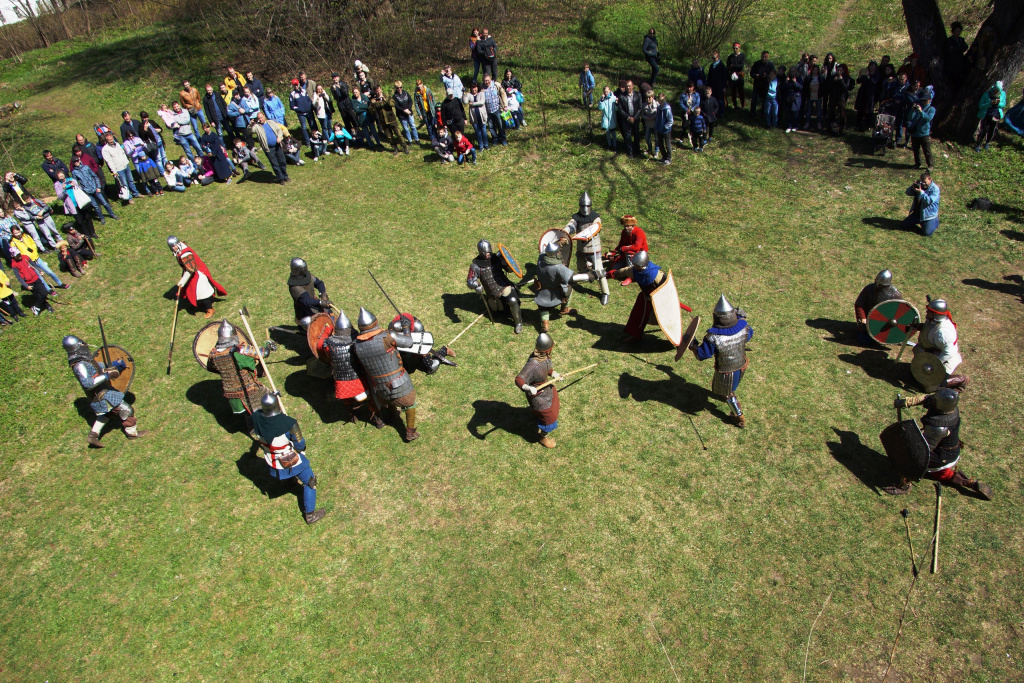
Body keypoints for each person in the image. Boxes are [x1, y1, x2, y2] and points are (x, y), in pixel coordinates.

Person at [884, 389, 992, 499]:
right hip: (949, 452)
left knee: (909, 457)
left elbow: (922, 451)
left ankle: (905, 485)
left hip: (942, 456)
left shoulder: (939, 427)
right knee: (942, 475)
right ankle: (969, 483)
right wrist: (906, 402)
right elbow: (927, 398)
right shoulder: (950, 409)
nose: (932, 400)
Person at [252, 393, 328, 525]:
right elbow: (300, 445)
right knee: (309, 480)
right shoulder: (289, 423)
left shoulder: (256, 417)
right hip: (288, 461)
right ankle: (310, 515)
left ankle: (289, 481)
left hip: (271, 460)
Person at [351, 307, 421, 442]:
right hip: (399, 382)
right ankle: (410, 432)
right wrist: (406, 327)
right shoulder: (387, 337)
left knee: (388, 399)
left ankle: (392, 414)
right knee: (410, 403)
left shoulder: (356, 345)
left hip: (378, 386)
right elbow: (409, 342)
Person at [63, 335, 146, 448]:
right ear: (77, 348)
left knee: (107, 413)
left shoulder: (84, 360)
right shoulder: (80, 365)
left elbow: (98, 367)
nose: (84, 344)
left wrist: (114, 364)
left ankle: (93, 436)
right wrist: (107, 376)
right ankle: (132, 433)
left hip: (101, 391)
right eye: (81, 344)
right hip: (102, 393)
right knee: (127, 409)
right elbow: (87, 383)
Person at [689, 295, 754, 427]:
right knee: (730, 388)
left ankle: (738, 416)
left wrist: (692, 344)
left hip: (726, 371)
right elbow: (748, 335)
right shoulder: (744, 328)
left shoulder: (714, 337)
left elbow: (702, 355)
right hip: (742, 365)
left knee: (728, 393)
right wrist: (740, 318)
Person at [206, 318, 276, 432]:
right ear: (234, 337)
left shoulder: (214, 354)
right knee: (267, 400)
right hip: (247, 389)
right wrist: (268, 345)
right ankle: (263, 428)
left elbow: (213, 367)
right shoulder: (239, 352)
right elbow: (262, 353)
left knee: (247, 412)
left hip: (230, 392)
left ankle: (251, 427)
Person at [321, 309, 381, 426]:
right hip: (359, 379)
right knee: (371, 398)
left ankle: (352, 416)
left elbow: (321, 345)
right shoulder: (356, 342)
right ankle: (378, 420)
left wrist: (327, 331)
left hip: (341, 382)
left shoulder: (330, 345)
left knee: (347, 400)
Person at [533, 241, 599, 332]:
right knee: (568, 288)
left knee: (543, 308)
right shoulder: (558, 267)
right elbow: (573, 278)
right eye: (558, 252)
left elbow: (544, 251)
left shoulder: (541, 258)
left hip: (541, 291)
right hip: (555, 294)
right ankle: (564, 309)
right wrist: (591, 275)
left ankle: (545, 323)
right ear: (556, 254)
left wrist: (559, 244)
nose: (560, 253)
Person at [467, 239, 524, 334]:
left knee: (512, 300)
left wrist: (507, 264)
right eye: (486, 252)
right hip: (492, 294)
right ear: (481, 252)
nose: (489, 254)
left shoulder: (496, 258)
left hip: (504, 286)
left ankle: (519, 323)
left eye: (489, 251)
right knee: (499, 312)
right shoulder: (476, 266)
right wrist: (476, 286)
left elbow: (509, 269)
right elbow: (470, 281)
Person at [515, 333, 561, 448]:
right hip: (538, 396)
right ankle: (543, 437)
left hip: (546, 389)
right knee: (550, 418)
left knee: (553, 403)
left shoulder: (543, 356)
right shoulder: (533, 364)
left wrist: (553, 373)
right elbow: (519, 379)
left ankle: (536, 415)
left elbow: (546, 369)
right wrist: (528, 387)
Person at [911, 298, 968, 390]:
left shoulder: (943, 332)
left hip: (944, 358)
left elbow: (949, 352)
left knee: (929, 387)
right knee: (915, 375)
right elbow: (929, 329)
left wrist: (934, 364)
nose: (926, 312)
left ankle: (961, 380)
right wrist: (919, 326)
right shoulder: (932, 320)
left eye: (929, 311)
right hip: (931, 352)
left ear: (936, 315)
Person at [565, 191, 610, 305]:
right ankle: (589, 274)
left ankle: (605, 293)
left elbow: (597, 226)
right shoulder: (576, 217)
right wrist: (565, 232)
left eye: (587, 206)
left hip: (595, 249)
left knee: (600, 272)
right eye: (583, 206)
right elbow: (571, 225)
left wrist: (592, 231)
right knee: (581, 268)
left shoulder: (595, 217)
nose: (585, 208)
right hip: (581, 249)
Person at [168, 236, 225, 319]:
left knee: (201, 292)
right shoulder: (180, 250)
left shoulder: (185, 254)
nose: (174, 248)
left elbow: (190, 270)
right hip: (193, 272)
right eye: (172, 247)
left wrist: (182, 281)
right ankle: (201, 303)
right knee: (193, 291)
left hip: (197, 273)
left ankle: (210, 308)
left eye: (174, 246)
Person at [387, 313, 457, 374]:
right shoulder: (392, 327)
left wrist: (420, 354)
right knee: (406, 368)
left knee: (432, 367)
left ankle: (444, 350)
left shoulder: (417, 326)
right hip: (401, 347)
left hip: (416, 343)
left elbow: (422, 344)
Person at [10, 224, 66, 291]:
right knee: (40, 277)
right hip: (29, 262)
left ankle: (60, 283)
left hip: (36, 258)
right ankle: (48, 289)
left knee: (49, 272)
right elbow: (17, 253)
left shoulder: (26, 236)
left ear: (20, 230)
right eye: (15, 233)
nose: (18, 234)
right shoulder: (13, 243)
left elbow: (33, 243)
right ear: (13, 234)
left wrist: (34, 251)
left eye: (18, 232)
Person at [853, 269, 903, 344]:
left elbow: (900, 313)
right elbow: (859, 304)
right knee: (863, 340)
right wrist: (863, 318)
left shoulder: (895, 294)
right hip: (869, 322)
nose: (877, 285)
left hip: (886, 324)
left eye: (881, 285)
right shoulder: (869, 289)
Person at [287, 257, 331, 328]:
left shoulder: (307, 276)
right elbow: (306, 300)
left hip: (313, 303)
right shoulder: (294, 287)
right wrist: (320, 303)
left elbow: (319, 283)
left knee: (330, 314)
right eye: (303, 268)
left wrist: (323, 294)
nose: (305, 269)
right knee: (319, 326)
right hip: (305, 311)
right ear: (298, 270)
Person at [248, 112, 291, 184]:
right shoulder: (257, 127)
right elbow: (249, 131)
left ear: (264, 116)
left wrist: (279, 137)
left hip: (277, 146)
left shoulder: (271, 122)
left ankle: (285, 176)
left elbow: (279, 130)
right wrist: (250, 124)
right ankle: (281, 178)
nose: (260, 119)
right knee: (274, 164)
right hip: (268, 149)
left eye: (261, 117)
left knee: (282, 161)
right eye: (259, 118)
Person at [11, 247, 54, 314]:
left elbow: (33, 265)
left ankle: (36, 307)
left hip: (36, 278)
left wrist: (40, 271)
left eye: (19, 254)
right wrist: (26, 286)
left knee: (44, 292)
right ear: (12, 256)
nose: (19, 256)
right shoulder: (14, 265)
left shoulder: (25, 257)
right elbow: (19, 277)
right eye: (17, 256)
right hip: (29, 282)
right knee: (38, 295)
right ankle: (48, 306)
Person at [604, 216, 649, 281]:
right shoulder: (624, 232)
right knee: (615, 268)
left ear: (633, 225)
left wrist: (624, 248)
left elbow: (637, 247)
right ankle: (624, 270)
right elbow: (621, 244)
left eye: (628, 226)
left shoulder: (639, 232)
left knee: (629, 255)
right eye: (625, 226)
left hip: (639, 254)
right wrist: (612, 252)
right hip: (626, 253)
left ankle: (630, 274)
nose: (626, 227)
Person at [54, 170, 97, 237]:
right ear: (58, 178)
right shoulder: (57, 184)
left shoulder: (71, 179)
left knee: (87, 217)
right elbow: (60, 197)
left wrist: (75, 185)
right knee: (80, 221)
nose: (62, 177)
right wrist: (63, 189)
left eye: (62, 175)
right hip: (72, 205)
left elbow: (80, 188)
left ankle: (93, 233)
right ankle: (87, 234)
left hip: (80, 202)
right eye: (60, 177)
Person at [370, 85, 409, 154]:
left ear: (381, 89)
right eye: (376, 91)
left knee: (398, 134)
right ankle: (395, 147)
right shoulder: (374, 100)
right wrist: (372, 104)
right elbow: (371, 110)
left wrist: (385, 99)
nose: (378, 91)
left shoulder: (387, 96)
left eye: (378, 89)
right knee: (389, 136)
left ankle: (404, 147)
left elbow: (392, 104)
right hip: (383, 121)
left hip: (391, 119)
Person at [974, 81, 1005, 151]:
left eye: (998, 91)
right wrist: (989, 103)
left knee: (992, 129)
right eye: (995, 91)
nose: (996, 92)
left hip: (996, 115)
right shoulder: (986, 94)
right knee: (984, 130)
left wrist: (998, 103)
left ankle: (987, 142)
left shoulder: (1003, 94)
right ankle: (978, 144)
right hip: (987, 114)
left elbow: (1003, 104)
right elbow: (980, 106)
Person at [906, 95, 936, 169]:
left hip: (924, 133)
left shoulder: (931, 109)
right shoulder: (918, 107)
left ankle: (930, 165)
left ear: (930, 100)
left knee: (926, 150)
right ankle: (917, 163)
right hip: (915, 132)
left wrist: (921, 112)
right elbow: (910, 118)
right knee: (916, 150)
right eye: (922, 100)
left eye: (925, 100)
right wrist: (912, 110)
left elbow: (928, 118)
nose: (923, 102)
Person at [617, 80, 642, 158]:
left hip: (635, 119)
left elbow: (640, 108)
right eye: (627, 86)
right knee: (627, 137)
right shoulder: (622, 96)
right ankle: (630, 152)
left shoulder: (638, 95)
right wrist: (628, 118)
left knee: (636, 136)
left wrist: (634, 118)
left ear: (632, 86)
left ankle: (637, 151)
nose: (628, 87)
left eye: (629, 86)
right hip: (626, 120)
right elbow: (620, 109)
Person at [481, 75, 508, 147]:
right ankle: (495, 139)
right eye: (485, 81)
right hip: (488, 111)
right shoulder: (482, 88)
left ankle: (503, 139)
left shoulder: (496, 85)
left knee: (500, 125)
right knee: (491, 127)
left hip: (497, 109)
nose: (487, 82)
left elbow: (503, 94)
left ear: (490, 79)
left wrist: (505, 105)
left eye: (488, 80)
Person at [289, 79, 314, 146]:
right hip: (301, 114)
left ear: (299, 84)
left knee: (312, 125)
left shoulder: (304, 91)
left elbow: (309, 100)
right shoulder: (292, 94)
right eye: (294, 85)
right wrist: (299, 109)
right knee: (304, 127)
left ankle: (314, 138)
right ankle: (307, 142)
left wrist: (309, 106)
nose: (296, 86)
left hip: (308, 112)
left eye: (296, 84)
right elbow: (292, 106)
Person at [464, 82, 489, 150]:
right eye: (472, 87)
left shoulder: (481, 93)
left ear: (477, 87)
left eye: (475, 87)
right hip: (474, 117)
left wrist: (473, 104)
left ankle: (486, 144)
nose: (474, 89)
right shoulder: (469, 95)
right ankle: (481, 146)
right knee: (478, 132)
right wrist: (464, 94)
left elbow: (482, 102)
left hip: (482, 116)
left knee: (483, 130)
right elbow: (465, 102)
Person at [750, 51, 775, 117]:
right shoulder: (757, 64)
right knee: (754, 99)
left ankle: (763, 113)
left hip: (765, 85)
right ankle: (752, 112)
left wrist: (766, 76)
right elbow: (751, 73)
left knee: (764, 100)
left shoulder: (771, 65)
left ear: (768, 57)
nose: (764, 58)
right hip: (757, 84)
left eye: (765, 57)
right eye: (762, 57)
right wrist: (756, 75)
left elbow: (773, 75)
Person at [727, 42, 747, 110]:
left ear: (739, 48)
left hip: (740, 75)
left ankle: (743, 105)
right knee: (733, 91)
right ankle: (735, 105)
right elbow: (728, 67)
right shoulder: (730, 57)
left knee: (741, 91)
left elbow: (741, 65)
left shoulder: (742, 55)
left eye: (736, 48)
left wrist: (733, 66)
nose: (735, 49)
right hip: (733, 75)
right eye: (734, 48)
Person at [599, 86, 618, 151]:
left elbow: (616, 109)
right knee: (607, 133)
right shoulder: (603, 99)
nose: (606, 93)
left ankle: (615, 146)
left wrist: (616, 104)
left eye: (607, 91)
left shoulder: (613, 98)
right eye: (604, 92)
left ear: (609, 90)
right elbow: (600, 108)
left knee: (613, 133)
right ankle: (609, 145)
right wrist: (601, 100)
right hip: (606, 118)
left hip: (612, 118)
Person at [641, 89, 658, 157]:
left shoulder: (657, 104)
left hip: (655, 124)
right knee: (647, 138)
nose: (648, 99)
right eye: (647, 97)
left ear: (653, 97)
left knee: (657, 139)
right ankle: (649, 148)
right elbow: (642, 115)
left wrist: (654, 117)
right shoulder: (643, 105)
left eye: (649, 97)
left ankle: (656, 151)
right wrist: (647, 118)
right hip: (648, 123)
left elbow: (659, 113)